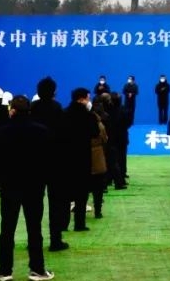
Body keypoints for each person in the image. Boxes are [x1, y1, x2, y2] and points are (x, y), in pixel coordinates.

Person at [0, 96, 55, 281]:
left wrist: (1, 180)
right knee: (34, 229)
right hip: (34, 186)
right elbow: (48, 160)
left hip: (9, 185)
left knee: (7, 229)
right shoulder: (42, 131)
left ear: (12, 110)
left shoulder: (1, 131)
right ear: (29, 110)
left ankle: (4, 270)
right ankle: (37, 269)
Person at [30, 77, 70, 252]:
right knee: (56, 203)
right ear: (54, 91)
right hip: (55, 162)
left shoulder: (32, 109)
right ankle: (55, 240)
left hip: (35, 162)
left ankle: (34, 240)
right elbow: (64, 136)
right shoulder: (57, 108)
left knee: (34, 205)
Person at [63, 88, 99, 232]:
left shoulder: (64, 113)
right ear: (82, 99)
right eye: (88, 98)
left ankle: (63, 224)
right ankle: (79, 224)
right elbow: (95, 133)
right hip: (83, 157)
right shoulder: (88, 116)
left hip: (66, 157)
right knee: (81, 193)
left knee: (65, 192)